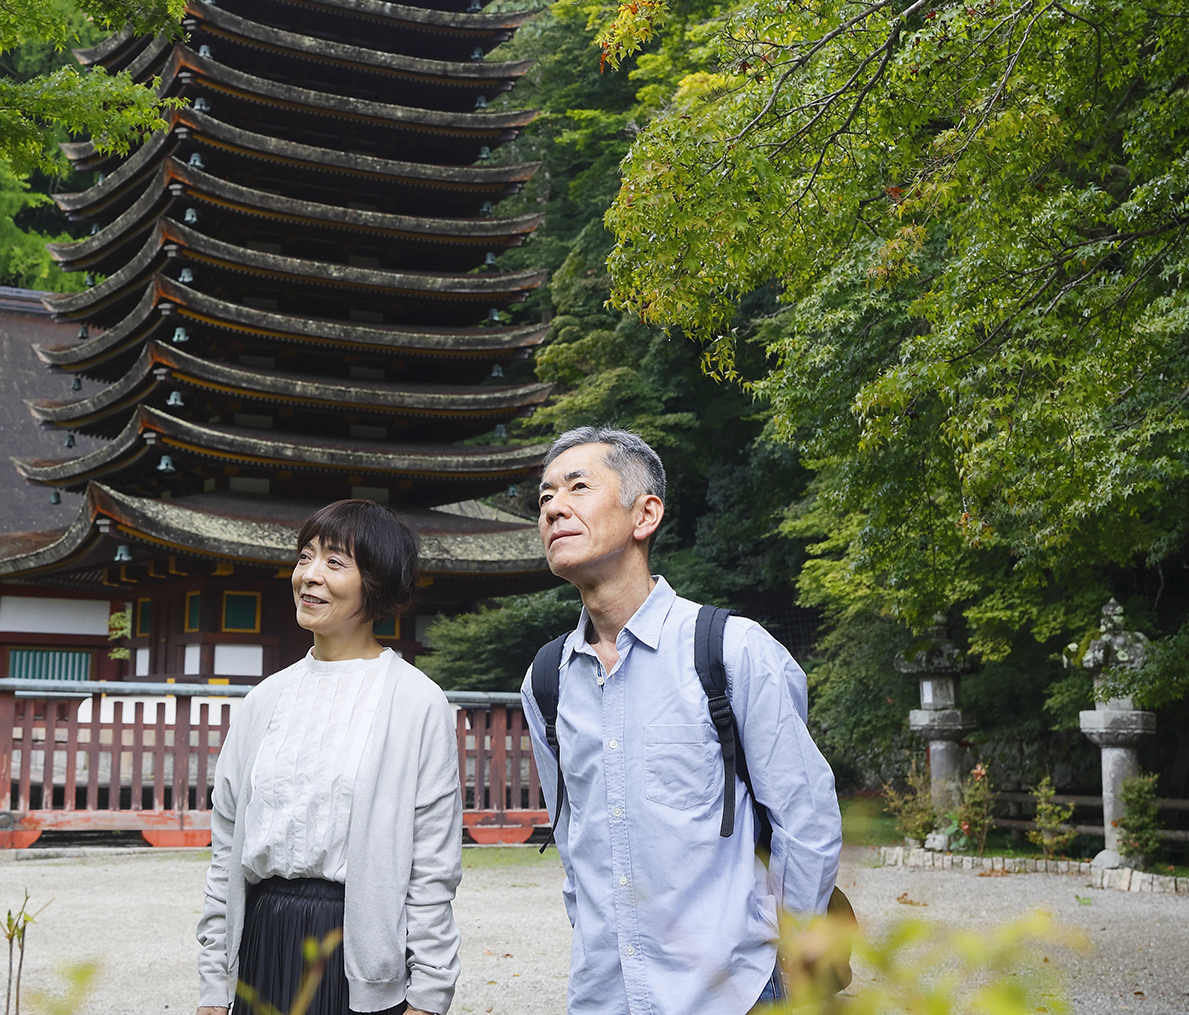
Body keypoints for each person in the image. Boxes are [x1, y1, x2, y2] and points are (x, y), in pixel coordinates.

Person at [521, 426, 843, 1015]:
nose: (553, 508)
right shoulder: (548, 680)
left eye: (577, 487)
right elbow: (574, 838)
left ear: (645, 514)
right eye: (544, 497)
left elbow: (806, 819)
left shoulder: (731, 651)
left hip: (733, 992)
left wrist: (793, 954)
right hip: (603, 995)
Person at [197, 499, 462, 1015]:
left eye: (334, 563)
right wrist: (213, 982)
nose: (309, 577)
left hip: (358, 947)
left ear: (378, 583)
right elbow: (226, 846)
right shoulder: (264, 699)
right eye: (304, 558)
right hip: (262, 941)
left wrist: (430, 992)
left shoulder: (415, 701)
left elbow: (433, 861)